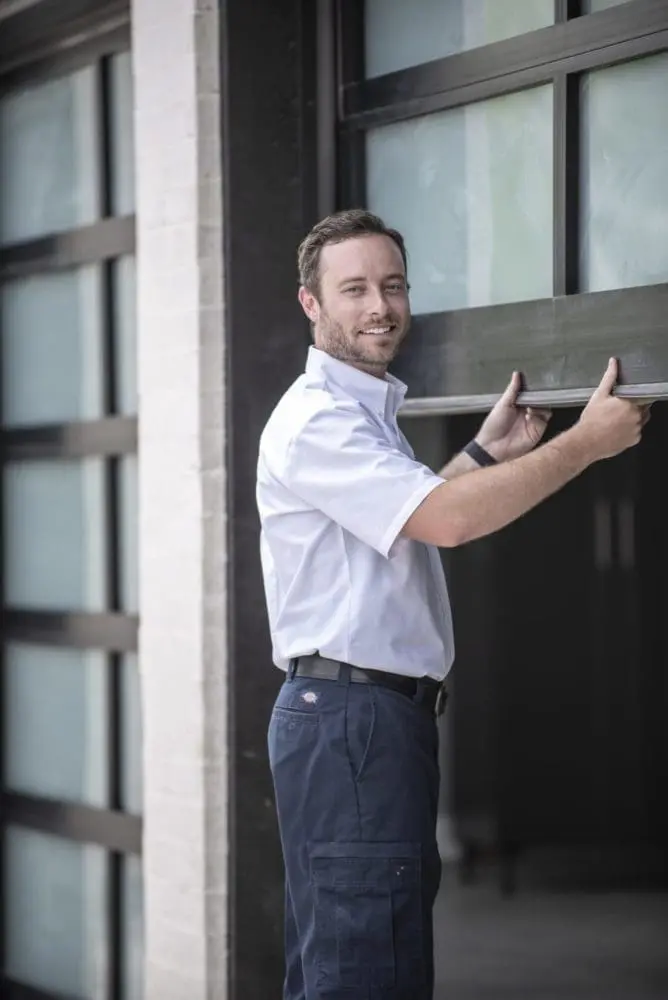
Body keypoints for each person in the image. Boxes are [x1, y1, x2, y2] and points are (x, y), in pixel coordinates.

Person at [256, 209, 648, 1000]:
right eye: (355, 289)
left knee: (357, 960)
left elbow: (406, 518)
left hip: (361, 721)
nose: (380, 306)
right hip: (353, 725)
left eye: (393, 285)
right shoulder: (320, 420)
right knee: (366, 972)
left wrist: (482, 453)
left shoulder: (359, 412)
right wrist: (587, 442)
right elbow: (448, 522)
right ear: (311, 303)